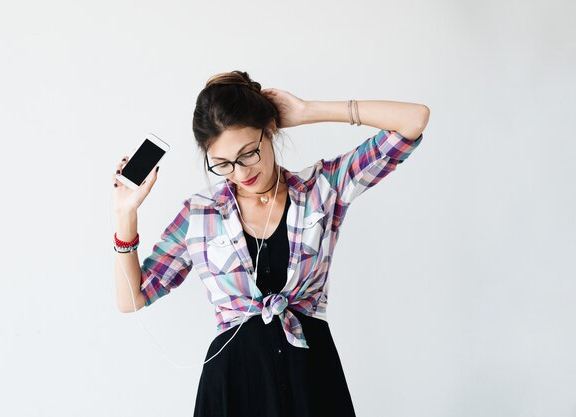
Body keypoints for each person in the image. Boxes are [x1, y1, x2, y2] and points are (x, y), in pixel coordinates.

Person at [111, 70, 429, 417]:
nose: (241, 171)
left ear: (270, 131)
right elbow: (132, 298)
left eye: (249, 153)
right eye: (223, 164)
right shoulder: (199, 215)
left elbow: (414, 120)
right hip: (233, 386)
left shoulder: (323, 188)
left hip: (313, 379)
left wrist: (309, 111)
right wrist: (125, 214)